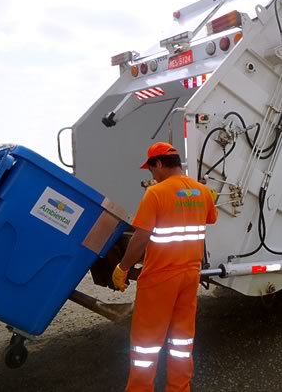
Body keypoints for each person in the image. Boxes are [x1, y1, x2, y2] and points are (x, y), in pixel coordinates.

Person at [112, 142, 218, 392]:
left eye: (151, 169)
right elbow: (211, 218)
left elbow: (140, 238)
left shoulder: (156, 193)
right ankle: (179, 388)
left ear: (158, 164)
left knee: (145, 343)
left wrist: (123, 267)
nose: (151, 174)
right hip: (190, 274)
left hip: (160, 277)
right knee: (182, 340)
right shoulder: (202, 191)